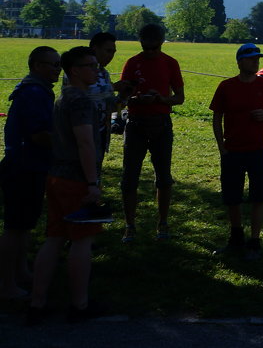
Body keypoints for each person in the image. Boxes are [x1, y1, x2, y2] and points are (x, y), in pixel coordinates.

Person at [27, 46, 109, 324]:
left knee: (54, 239)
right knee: (82, 241)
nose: (97, 70)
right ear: (74, 70)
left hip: (56, 175)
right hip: (76, 179)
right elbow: (85, 142)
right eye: (91, 65)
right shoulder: (81, 100)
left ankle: (37, 303)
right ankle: (80, 304)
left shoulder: (63, 96)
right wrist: (92, 183)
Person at [210, 44, 263, 260]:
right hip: (232, 150)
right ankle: (235, 238)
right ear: (239, 61)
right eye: (251, 58)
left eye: (257, 58)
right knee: (233, 198)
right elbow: (216, 116)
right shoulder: (226, 86)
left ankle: (254, 241)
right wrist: (221, 147)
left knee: (258, 197)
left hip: (259, 150)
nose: (255, 62)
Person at [116, 22, 184, 242]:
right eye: (147, 48)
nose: (151, 53)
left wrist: (161, 99)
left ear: (162, 43)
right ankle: (130, 225)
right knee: (129, 177)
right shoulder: (132, 63)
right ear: (141, 43)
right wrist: (136, 99)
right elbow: (123, 98)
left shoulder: (171, 64)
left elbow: (180, 98)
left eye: (155, 48)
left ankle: (163, 223)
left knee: (163, 177)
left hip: (161, 124)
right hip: (135, 123)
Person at [1, 47, 58, 300]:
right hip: (24, 165)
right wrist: (67, 141)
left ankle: (21, 272)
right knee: (15, 228)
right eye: (51, 64)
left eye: (59, 64)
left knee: (24, 225)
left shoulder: (38, 89)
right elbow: (39, 134)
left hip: (28, 164)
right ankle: (6, 285)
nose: (57, 69)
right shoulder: (35, 92)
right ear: (36, 65)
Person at [86, 32, 119, 172]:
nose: (111, 55)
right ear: (94, 49)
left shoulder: (105, 74)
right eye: (108, 51)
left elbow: (111, 106)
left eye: (113, 52)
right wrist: (114, 87)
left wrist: (125, 96)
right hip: (82, 132)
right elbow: (84, 94)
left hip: (100, 134)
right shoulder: (78, 69)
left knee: (95, 174)